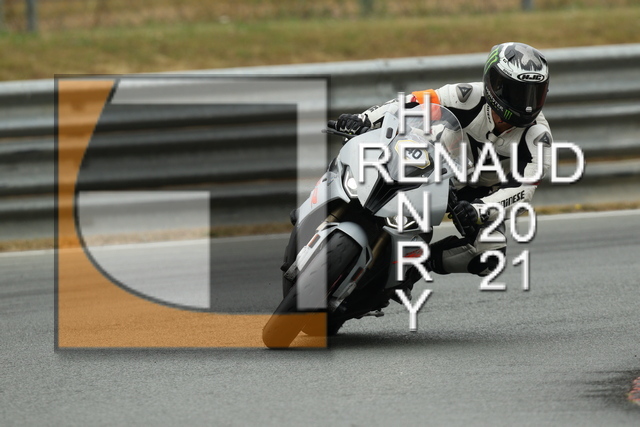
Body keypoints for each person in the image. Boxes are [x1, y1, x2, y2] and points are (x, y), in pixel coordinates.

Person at [335, 42, 552, 278]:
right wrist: (366, 119)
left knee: (490, 256)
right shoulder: (467, 96)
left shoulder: (539, 137)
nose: (527, 104)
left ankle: (413, 270)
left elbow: (522, 191)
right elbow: (417, 100)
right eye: (518, 93)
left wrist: (479, 210)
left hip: (480, 194)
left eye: (535, 93)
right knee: (374, 181)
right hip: (434, 165)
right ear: (495, 85)